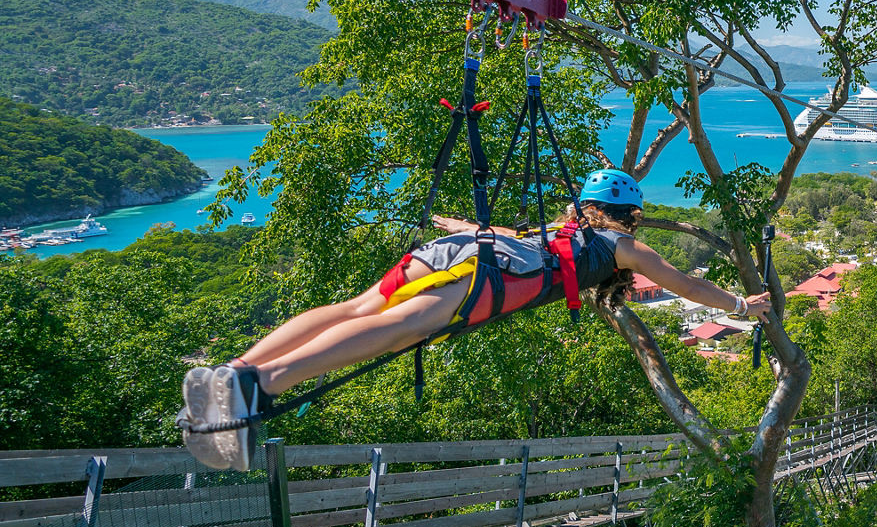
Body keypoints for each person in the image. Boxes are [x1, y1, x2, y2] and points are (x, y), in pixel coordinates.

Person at [179, 168, 771, 470]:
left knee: (357, 308)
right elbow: (683, 282)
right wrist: (741, 306)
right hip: (487, 278)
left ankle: (237, 368)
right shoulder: (620, 245)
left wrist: (462, 229)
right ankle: (260, 383)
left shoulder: (563, 231)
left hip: (465, 253)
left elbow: (511, 238)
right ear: (629, 216)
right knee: (398, 330)